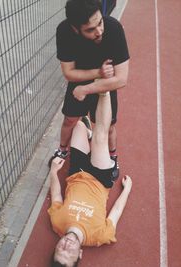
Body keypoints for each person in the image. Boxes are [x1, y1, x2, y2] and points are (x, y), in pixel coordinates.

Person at [48, 92, 132, 266]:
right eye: (69, 252)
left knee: (78, 126)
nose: (66, 245)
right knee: (101, 137)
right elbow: (115, 212)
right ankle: (104, 91)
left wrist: (54, 172)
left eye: (60, 249)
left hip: (76, 173)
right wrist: (127, 189)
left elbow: (56, 196)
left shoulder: (57, 222)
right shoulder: (99, 236)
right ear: (80, 254)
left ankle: (88, 135)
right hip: (100, 179)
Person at [48, 0, 130, 177]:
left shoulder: (114, 29)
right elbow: (69, 73)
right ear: (75, 29)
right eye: (90, 30)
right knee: (69, 120)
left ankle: (113, 155)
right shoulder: (64, 32)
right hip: (86, 78)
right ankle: (62, 150)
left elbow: (121, 79)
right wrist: (98, 72)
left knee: (108, 127)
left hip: (105, 85)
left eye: (100, 23)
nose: (99, 31)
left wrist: (87, 89)